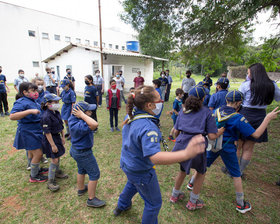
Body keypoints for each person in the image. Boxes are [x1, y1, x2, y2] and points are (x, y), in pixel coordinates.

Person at [113, 85, 206, 223]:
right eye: (159, 101)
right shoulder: (147, 127)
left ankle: (122, 205)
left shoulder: (131, 115)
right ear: (150, 105)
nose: (161, 103)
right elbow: (155, 157)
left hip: (128, 165)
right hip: (142, 171)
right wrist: (186, 153)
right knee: (153, 203)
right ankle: (124, 206)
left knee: (132, 183)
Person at [206, 90, 280, 213]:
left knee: (204, 165)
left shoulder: (216, 111)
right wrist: (267, 118)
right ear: (239, 103)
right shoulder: (238, 118)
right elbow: (256, 134)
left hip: (213, 144)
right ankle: (241, 204)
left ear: (226, 100)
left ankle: (192, 184)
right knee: (236, 173)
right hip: (228, 148)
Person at [169, 86, 222, 211]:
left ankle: (174, 196)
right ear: (203, 98)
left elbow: (176, 132)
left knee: (182, 170)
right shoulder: (207, 113)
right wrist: (221, 130)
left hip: (181, 145)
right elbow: (212, 136)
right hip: (197, 145)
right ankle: (193, 202)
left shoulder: (183, 111)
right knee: (200, 172)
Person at [237, 63, 280, 176]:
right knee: (249, 147)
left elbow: (237, 99)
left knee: (238, 144)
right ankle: (240, 171)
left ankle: (233, 170)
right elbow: (278, 98)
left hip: (245, 114)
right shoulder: (272, 85)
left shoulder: (246, 85)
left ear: (253, 73)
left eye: (249, 72)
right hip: (261, 116)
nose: (248, 74)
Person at [69, 101, 106, 208]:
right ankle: (91, 199)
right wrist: (83, 115)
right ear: (81, 114)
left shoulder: (73, 120)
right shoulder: (79, 124)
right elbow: (95, 124)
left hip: (76, 150)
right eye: (88, 110)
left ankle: (81, 189)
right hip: (83, 153)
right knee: (94, 174)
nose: (91, 112)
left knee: (81, 169)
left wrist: (82, 115)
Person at [10, 82, 48, 182]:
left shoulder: (32, 100)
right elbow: (12, 116)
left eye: (36, 90)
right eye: (33, 90)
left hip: (36, 130)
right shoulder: (21, 102)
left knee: (34, 152)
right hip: (28, 131)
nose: (36, 92)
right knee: (38, 154)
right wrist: (29, 111)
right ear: (25, 92)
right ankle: (34, 176)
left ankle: (37, 169)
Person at [41, 93, 68, 191]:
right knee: (54, 159)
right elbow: (47, 132)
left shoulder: (56, 112)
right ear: (48, 104)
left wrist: (63, 137)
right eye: (55, 102)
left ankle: (57, 171)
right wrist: (53, 145)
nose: (57, 104)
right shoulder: (46, 116)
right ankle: (50, 180)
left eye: (58, 102)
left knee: (58, 155)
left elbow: (61, 125)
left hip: (57, 137)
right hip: (50, 139)